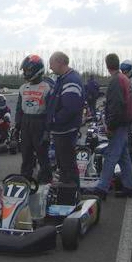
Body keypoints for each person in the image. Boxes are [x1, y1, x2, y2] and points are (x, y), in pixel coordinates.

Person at [89, 53, 132, 199]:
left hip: (119, 124)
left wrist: (110, 125)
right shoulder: (124, 78)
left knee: (111, 156)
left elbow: (116, 106)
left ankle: (102, 188)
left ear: (107, 65)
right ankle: (129, 186)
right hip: (125, 122)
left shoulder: (116, 81)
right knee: (123, 157)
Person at [46, 51, 85, 187]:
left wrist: (54, 120)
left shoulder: (71, 80)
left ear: (59, 62)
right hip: (62, 130)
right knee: (63, 164)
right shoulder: (63, 79)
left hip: (65, 130)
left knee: (67, 164)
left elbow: (70, 108)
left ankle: (71, 190)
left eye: (51, 64)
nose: (50, 67)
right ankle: (65, 188)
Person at [15, 54, 54, 183]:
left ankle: (45, 180)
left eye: (28, 70)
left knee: (42, 153)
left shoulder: (47, 87)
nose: (25, 73)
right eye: (25, 70)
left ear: (37, 70)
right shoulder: (23, 88)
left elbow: (50, 111)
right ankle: (25, 178)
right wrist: (17, 127)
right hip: (26, 121)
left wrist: (47, 130)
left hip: (40, 121)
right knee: (26, 153)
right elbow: (19, 109)